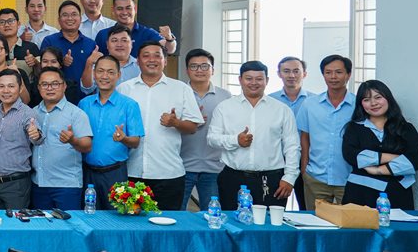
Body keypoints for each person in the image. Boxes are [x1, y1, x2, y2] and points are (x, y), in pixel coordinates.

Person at [117, 41, 203, 211]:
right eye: (146, 55)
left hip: (169, 173)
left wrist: (175, 123)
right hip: (131, 172)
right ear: (138, 61)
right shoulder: (124, 89)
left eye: (157, 55)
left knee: (168, 222)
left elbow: (193, 127)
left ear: (165, 61)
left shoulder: (180, 89)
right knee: (132, 223)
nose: (152, 60)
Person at [206, 61, 299, 210]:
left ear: (267, 80)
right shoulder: (225, 107)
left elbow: (292, 146)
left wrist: (289, 178)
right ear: (240, 80)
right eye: (249, 78)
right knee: (233, 222)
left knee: (269, 223)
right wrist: (235, 140)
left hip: (271, 180)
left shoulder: (282, 110)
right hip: (233, 178)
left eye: (259, 79)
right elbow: (212, 138)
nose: (254, 83)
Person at [341, 80, 418, 209]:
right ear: (361, 104)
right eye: (366, 99)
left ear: (388, 98)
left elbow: (416, 161)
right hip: (360, 193)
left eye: (378, 97)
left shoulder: (405, 128)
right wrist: (394, 157)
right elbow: (351, 155)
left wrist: (378, 170)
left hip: (396, 194)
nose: (373, 103)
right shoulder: (354, 128)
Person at [79, 56, 143, 209]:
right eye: (100, 71)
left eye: (110, 72)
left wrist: (124, 139)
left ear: (118, 75)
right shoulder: (84, 104)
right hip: (87, 172)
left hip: (115, 173)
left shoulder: (129, 105)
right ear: (94, 74)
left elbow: (135, 142)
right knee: (88, 216)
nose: (105, 76)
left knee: (116, 218)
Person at [30, 67, 93, 210]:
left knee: (69, 223)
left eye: (55, 84)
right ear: (39, 87)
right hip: (39, 183)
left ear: (64, 86)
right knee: (41, 223)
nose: (49, 88)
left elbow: (87, 145)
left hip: (66, 186)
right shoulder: (33, 113)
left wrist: (73, 140)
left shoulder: (76, 114)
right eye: (45, 84)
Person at [297, 54, 356, 207]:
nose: (333, 77)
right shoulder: (310, 104)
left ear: (348, 74)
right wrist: (304, 169)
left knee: (350, 220)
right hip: (316, 177)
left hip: (349, 177)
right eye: (328, 72)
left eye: (338, 72)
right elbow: (305, 137)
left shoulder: (359, 105)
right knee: (315, 219)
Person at [178, 48, 233, 210]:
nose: (199, 70)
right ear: (187, 70)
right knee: (177, 213)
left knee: (211, 214)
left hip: (214, 167)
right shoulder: (178, 93)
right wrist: (189, 122)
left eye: (204, 66)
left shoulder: (225, 96)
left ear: (213, 70)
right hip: (182, 165)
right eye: (194, 66)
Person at [0, 69, 38, 210]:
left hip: (16, 183)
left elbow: (37, 138)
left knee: (15, 222)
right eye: (1, 86)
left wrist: (36, 134)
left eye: (11, 86)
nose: (6, 91)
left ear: (20, 89)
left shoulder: (27, 113)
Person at [271, 55, 310, 209]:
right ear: (279, 74)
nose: (291, 75)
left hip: (306, 162)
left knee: (306, 207)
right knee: (275, 207)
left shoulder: (314, 101)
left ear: (304, 74)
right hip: (277, 162)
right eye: (286, 71)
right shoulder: (270, 101)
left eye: (296, 71)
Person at [94, 0, 177, 57]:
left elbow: (169, 50)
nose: (124, 12)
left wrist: (169, 39)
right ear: (113, 10)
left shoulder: (147, 33)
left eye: (128, 8)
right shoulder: (103, 34)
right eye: (120, 9)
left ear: (135, 9)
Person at [40, 0, 96, 88]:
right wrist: (61, 63)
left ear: (80, 19)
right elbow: (43, 70)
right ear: (59, 20)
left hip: (84, 94)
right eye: (65, 15)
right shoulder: (49, 41)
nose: (70, 18)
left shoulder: (91, 44)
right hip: (56, 93)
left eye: (74, 14)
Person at [0, 8, 39, 79]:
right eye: (2, 22)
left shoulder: (32, 47)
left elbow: (41, 73)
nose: (6, 25)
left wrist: (36, 63)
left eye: (11, 21)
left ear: (18, 24)